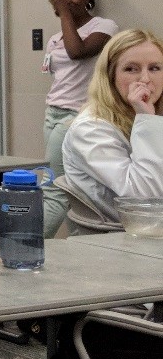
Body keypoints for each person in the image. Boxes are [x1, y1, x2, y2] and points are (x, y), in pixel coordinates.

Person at [61, 28, 163, 232]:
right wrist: (145, 118)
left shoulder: (149, 116)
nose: (145, 79)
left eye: (155, 68)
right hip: (129, 240)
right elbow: (145, 200)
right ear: (110, 77)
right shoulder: (91, 128)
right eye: (131, 69)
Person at [42, 0, 116, 237]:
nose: (65, 2)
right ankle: (79, 241)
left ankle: (28, 248)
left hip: (78, 115)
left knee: (55, 187)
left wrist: (65, 14)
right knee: (69, 184)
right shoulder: (55, 38)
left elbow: (78, 52)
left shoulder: (104, 27)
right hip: (53, 112)